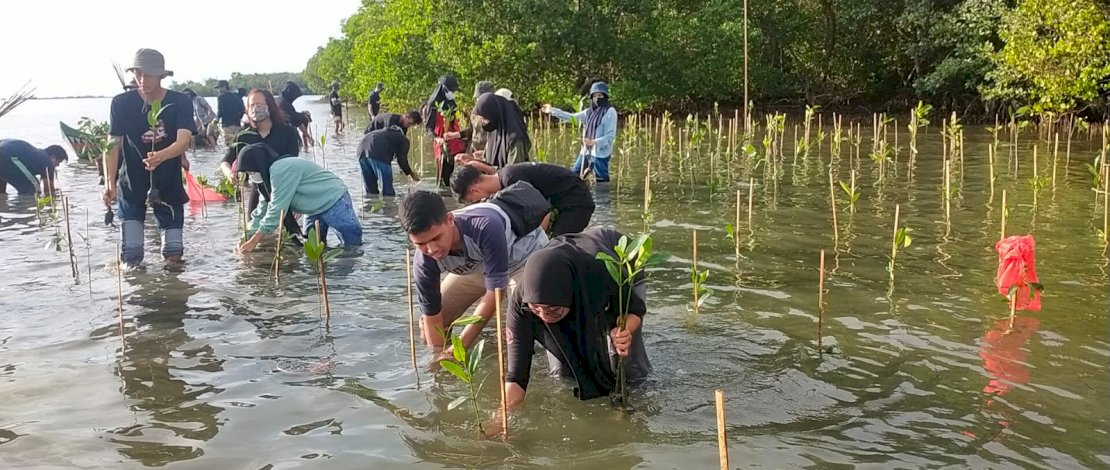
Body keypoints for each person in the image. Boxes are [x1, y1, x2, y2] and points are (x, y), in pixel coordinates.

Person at [500, 227, 652, 418]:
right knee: (561, 371)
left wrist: (623, 331)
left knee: (625, 361)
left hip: (620, 263)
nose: (544, 316)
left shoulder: (599, 273)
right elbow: (516, 375)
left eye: (552, 310)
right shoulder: (522, 302)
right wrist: (502, 416)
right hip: (570, 275)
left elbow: (635, 310)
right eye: (537, 309)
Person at [401, 190, 548, 351]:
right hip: (479, 268)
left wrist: (460, 347)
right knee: (432, 323)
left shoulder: (485, 226)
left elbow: (496, 293)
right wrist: (439, 359)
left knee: (521, 322)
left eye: (436, 238)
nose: (432, 249)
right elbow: (432, 317)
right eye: (421, 244)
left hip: (523, 259)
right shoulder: (424, 261)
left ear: (450, 220)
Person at [101, 48, 196, 266]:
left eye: (149, 75)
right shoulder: (121, 103)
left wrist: (161, 156)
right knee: (132, 255)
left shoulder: (179, 101)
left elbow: (183, 140)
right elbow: (112, 144)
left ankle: (173, 291)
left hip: (168, 180)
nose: (142, 80)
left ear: (162, 75)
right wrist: (109, 183)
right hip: (132, 180)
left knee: (174, 254)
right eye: (138, 73)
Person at [236, 143, 361, 252]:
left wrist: (254, 241)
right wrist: (246, 236)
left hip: (334, 201)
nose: (250, 176)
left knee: (351, 248)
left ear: (259, 164)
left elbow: (277, 209)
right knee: (313, 249)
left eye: (251, 172)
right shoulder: (267, 181)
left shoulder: (280, 169)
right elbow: (262, 210)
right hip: (312, 209)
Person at [220, 88, 303, 238]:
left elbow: (294, 167)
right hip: (258, 189)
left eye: (259, 105)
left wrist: (295, 201)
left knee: (288, 237)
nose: (254, 109)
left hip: (284, 190)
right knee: (253, 233)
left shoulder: (288, 132)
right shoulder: (244, 134)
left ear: (270, 106)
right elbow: (225, 161)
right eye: (251, 105)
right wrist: (229, 174)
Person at [450, 162, 594, 236]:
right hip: (565, 202)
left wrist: (537, 243)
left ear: (474, 190)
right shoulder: (505, 176)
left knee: (557, 246)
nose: (477, 201)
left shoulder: (511, 179)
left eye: (472, 199)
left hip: (576, 202)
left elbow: (543, 211)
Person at [542, 81, 618, 182]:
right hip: (586, 151)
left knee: (602, 182)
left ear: (605, 96)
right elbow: (572, 117)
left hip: (600, 153)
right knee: (574, 176)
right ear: (591, 97)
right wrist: (552, 110)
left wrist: (594, 142)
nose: (597, 98)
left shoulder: (610, 112)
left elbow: (610, 136)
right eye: (595, 96)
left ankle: (601, 198)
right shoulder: (589, 112)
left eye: (600, 95)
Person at [423, 75, 466, 187]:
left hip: (456, 143)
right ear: (443, 89)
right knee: (444, 176)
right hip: (442, 145)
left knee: (458, 177)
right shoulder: (432, 107)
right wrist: (437, 139)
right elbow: (428, 129)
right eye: (451, 90)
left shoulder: (452, 103)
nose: (453, 93)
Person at [356, 126, 419, 197]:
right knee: (387, 191)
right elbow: (402, 161)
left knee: (371, 190)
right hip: (378, 151)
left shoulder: (382, 133)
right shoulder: (403, 139)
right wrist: (411, 173)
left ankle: (370, 205)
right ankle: (388, 206)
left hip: (361, 150)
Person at [473, 92, 531, 168]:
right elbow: (488, 159)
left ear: (494, 114)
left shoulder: (515, 140)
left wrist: (487, 168)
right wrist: (473, 160)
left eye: (485, 118)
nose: (483, 122)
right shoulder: (494, 131)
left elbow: (514, 172)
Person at [0, 140, 67, 195]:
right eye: (59, 162)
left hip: (4, 151)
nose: (58, 165)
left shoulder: (37, 155)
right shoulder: (46, 162)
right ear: (53, 157)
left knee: (1, 193)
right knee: (33, 191)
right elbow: (48, 190)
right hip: (6, 156)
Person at [276, 81, 312, 149]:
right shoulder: (285, 104)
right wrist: (309, 137)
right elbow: (297, 121)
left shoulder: (277, 100)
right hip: (282, 136)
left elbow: (294, 117)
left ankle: (304, 146)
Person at [215, 80, 245, 146]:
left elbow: (220, 111)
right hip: (237, 124)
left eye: (220, 88)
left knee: (229, 145)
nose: (219, 90)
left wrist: (216, 120)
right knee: (237, 144)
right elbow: (243, 109)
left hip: (227, 124)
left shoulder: (221, 97)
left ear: (224, 87)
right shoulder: (237, 96)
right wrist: (239, 117)